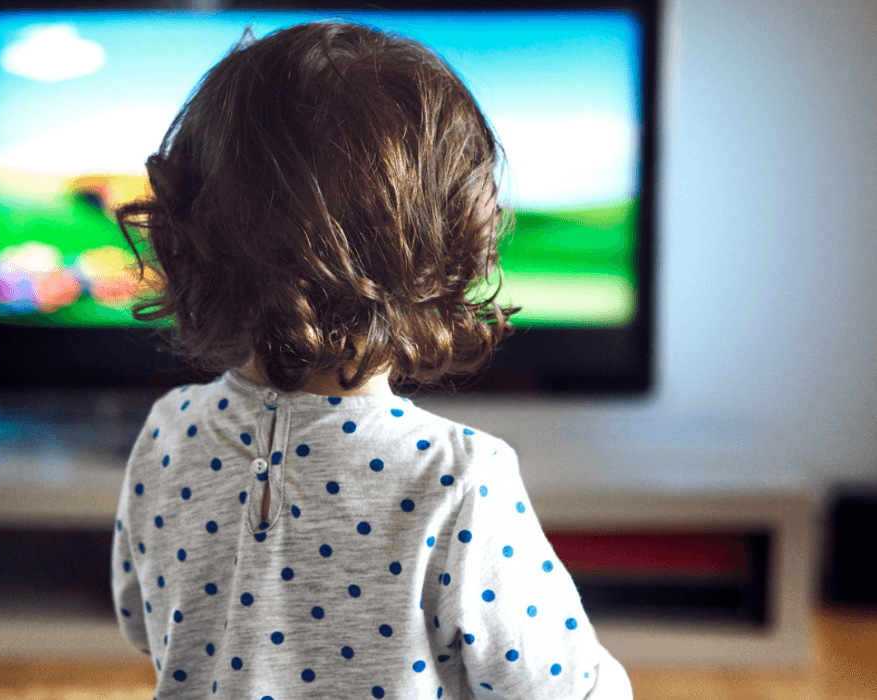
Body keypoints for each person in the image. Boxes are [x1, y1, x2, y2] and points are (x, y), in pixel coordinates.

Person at [110, 21, 632, 699]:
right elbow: (561, 690)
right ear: (456, 238)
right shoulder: (457, 478)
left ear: (189, 229)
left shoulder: (166, 432)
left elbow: (138, 621)